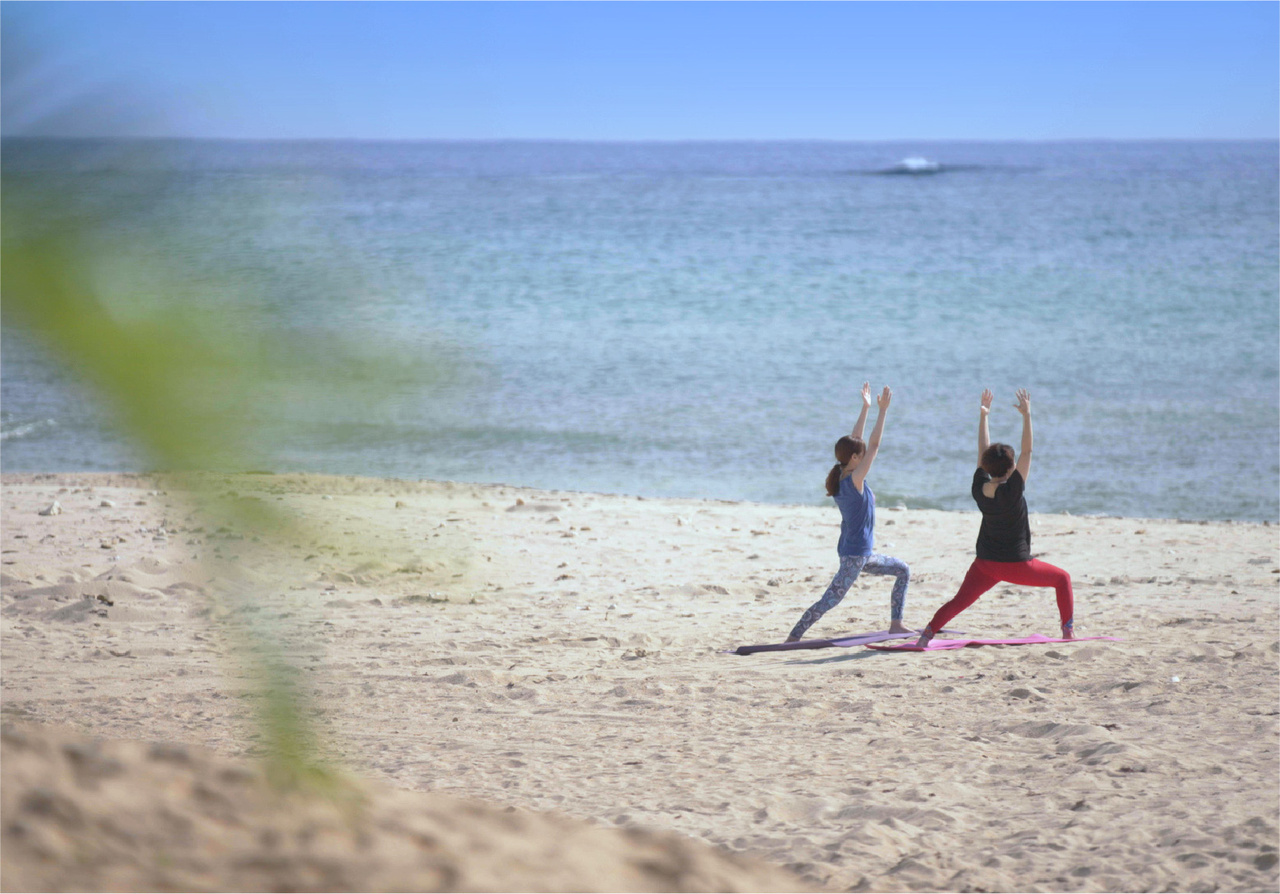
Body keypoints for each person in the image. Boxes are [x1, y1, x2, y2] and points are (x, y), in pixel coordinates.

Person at [914, 388, 1074, 649]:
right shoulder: (1013, 490)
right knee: (1062, 579)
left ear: (987, 468)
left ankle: (926, 635)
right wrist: (1027, 416)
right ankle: (1068, 632)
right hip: (1017, 565)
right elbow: (1028, 451)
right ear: (1011, 468)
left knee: (959, 602)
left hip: (985, 565)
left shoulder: (979, 488)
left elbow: (983, 453)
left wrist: (983, 415)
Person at [785, 383, 911, 642]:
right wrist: (883, 411)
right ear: (854, 458)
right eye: (860, 456)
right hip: (855, 554)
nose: (865, 457)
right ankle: (794, 636)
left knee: (902, 570)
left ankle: (896, 623)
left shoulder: (844, 472)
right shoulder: (854, 481)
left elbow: (858, 441)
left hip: (860, 553)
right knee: (831, 599)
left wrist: (865, 408)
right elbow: (873, 445)